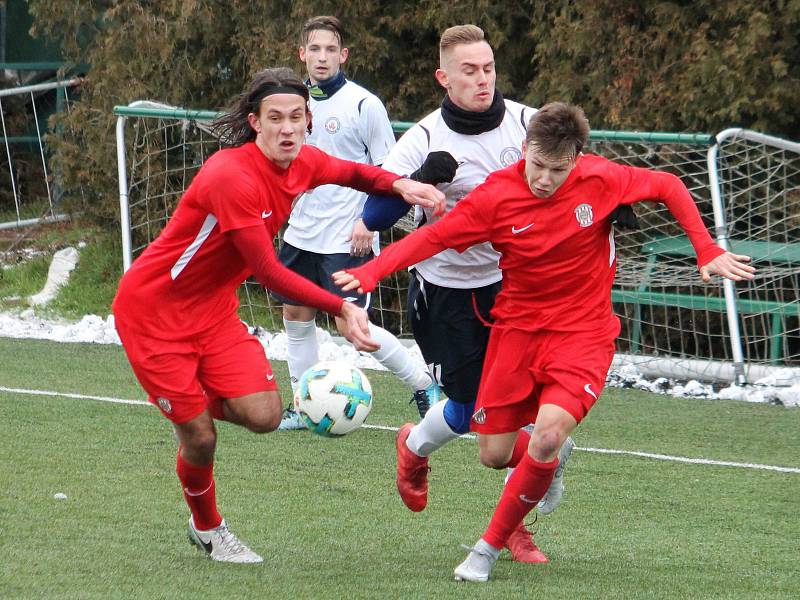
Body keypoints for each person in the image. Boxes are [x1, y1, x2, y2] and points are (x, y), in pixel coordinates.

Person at [335, 101, 756, 582]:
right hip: (516, 332)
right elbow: (434, 239)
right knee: (492, 454)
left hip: (584, 333)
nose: (543, 179)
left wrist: (706, 247)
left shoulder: (601, 179)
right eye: (536, 164)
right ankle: (539, 464)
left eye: (556, 169)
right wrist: (370, 272)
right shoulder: (497, 196)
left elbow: (668, 185)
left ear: (576, 159)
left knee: (550, 433)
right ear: (523, 150)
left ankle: (486, 550)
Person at [112, 67, 444, 564]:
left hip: (212, 314)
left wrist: (402, 185)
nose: (287, 128)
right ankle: (208, 530)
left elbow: (353, 172)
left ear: (308, 121)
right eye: (275, 119)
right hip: (154, 314)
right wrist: (340, 306)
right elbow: (266, 271)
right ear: (255, 122)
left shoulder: (303, 162)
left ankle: (180, 399)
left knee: (267, 416)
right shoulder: (230, 176)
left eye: (295, 117)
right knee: (200, 438)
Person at [359, 24, 580, 564]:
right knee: (471, 414)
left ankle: (514, 524)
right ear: (444, 77)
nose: (483, 80)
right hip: (449, 295)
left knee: (521, 417)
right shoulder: (426, 138)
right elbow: (374, 216)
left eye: (488, 68)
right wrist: (422, 178)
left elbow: (575, 174)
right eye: (469, 71)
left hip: (516, 287)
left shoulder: (528, 123)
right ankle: (412, 447)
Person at [276, 16, 440, 431]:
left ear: (343, 55)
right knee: (295, 316)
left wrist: (370, 223)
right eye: (314, 49)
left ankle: (423, 384)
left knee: (352, 326)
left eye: (331, 49)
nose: (322, 57)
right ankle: (303, 403)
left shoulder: (365, 105)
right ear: (302, 54)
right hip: (301, 230)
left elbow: (390, 171)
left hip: (348, 234)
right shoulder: (293, 104)